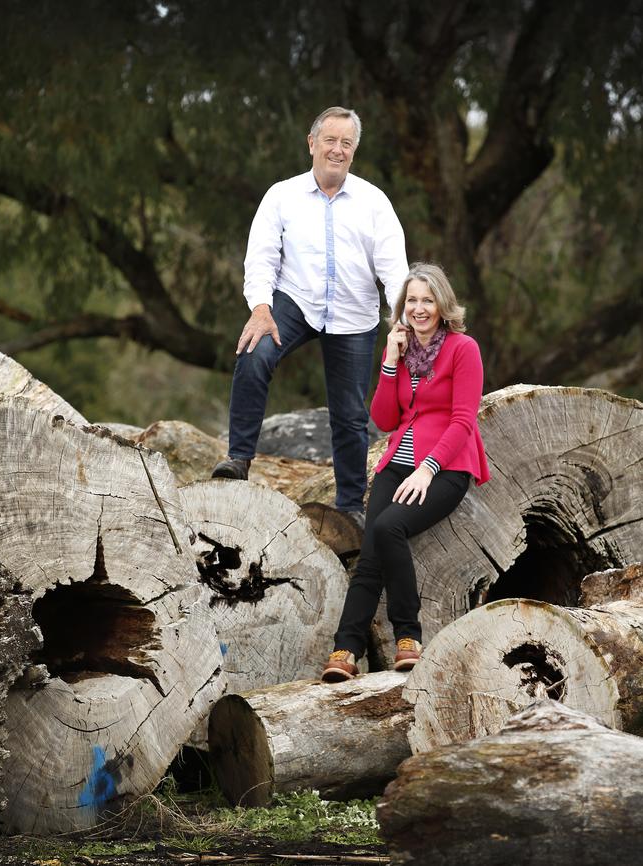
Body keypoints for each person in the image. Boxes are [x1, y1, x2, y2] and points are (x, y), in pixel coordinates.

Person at [212, 106, 408, 518]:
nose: (337, 150)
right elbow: (261, 257)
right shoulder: (281, 195)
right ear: (312, 144)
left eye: (346, 143)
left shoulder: (374, 202)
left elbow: (394, 270)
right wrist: (261, 308)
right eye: (330, 140)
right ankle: (239, 460)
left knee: (351, 414)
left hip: (354, 312)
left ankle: (351, 507)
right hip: (294, 301)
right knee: (255, 352)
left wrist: (402, 318)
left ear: (354, 151)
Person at [321, 262, 490, 682]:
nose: (419, 308)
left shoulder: (462, 349)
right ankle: (346, 649)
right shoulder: (400, 349)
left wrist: (429, 469)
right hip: (396, 464)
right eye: (412, 300)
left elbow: (464, 419)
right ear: (402, 306)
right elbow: (384, 418)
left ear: (442, 304)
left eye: (427, 300)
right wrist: (391, 361)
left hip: (446, 467)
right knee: (371, 552)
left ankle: (408, 637)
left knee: (389, 528)